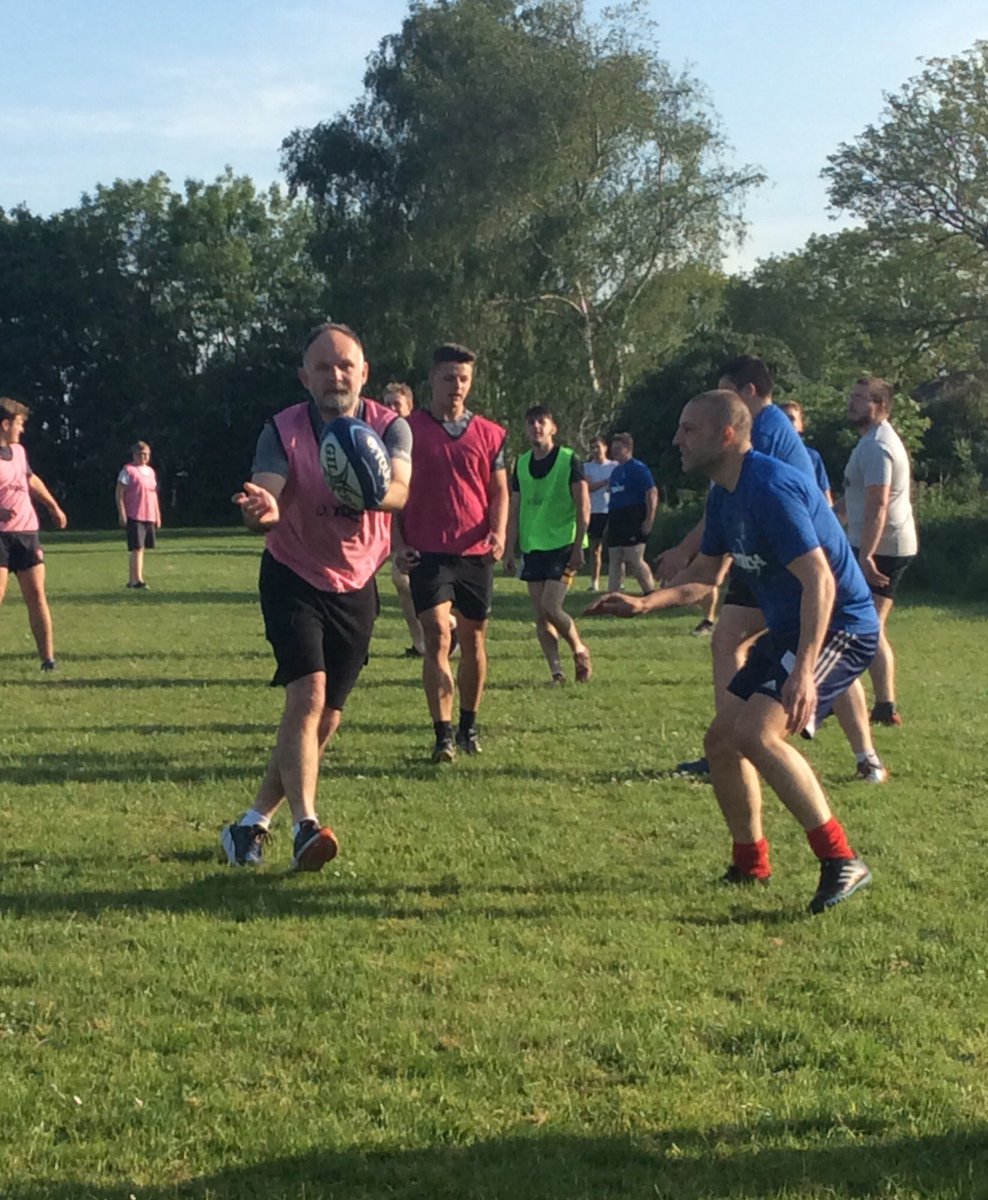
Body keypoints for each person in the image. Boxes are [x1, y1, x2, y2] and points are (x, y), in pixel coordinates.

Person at [589, 391, 877, 914]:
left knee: (757, 733)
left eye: (689, 429)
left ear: (726, 435)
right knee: (722, 742)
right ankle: (751, 863)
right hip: (789, 627)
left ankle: (842, 859)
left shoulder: (770, 488)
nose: (676, 439)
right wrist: (645, 603)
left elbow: (820, 580)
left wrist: (805, 672)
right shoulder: (725, 495)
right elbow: (705, 576)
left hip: (841, 626)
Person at [222, 322, 412, 871]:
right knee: (307, 695)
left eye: (345, 365)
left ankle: (251, 823)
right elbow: (267, 498)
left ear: (364, 372)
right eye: (323, 367)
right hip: (293, 573)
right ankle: (306, 827)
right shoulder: (282, 430)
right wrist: (263, 512)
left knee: (325, 719)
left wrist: (370, 488)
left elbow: (400, 489)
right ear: (305, 377)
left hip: (357, 580)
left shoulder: (391, 426)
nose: (336, 376)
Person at [655, 356, 886, 783]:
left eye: (725, 392)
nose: (680, 439)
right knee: (767, 646)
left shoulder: (763, 432)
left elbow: (761, 499)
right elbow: (721, 523)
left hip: (788, 558)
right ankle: (734, 743)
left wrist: (686, 550)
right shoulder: (756, 447)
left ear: (747, 394)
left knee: (817, 647)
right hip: (773, 554)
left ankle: (745, 742)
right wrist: (649, 599)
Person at [394, 343, 508, 762]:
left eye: (463, 379)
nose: (456, 386)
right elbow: (394, 493)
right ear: (432, 380)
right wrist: (398, 543)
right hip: (427, 550)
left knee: (474, 638)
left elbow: (499, 491)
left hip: (474, 552)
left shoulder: (491, 434)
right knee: (438, 634)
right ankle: (442, 734)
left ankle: (468, 726)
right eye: (448, 378)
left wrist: (498, 534)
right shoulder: (407, 430)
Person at [836, 376, 918, 727]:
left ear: (880, 406)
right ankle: (882, 705)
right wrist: (824, 520)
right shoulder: (868, 442)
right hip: (873, 543)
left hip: (883, 547)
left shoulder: (878, 446)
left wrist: (866, 555)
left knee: (864, 624)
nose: (852, 403)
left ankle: (870, 702)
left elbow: (878, 505)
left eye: (861, 398)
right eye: (852, 396)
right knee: (867, 624)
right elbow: (854, 499)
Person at [505, 405, 592, 684]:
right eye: (531, 422)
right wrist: (509, 549)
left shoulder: (568, 459)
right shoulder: (521, 464)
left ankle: (579, 649)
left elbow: (583, 505)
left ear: (553, 427)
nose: (536, 427)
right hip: (533, 546)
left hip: (564, 544)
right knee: (541, 615)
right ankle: (557, 672)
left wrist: (579, 545)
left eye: (541, 421)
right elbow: (514, 509)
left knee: (551, 606)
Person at [0, 397, 68, 672]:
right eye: (19, 423)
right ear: (5, 424)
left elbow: (30, 480)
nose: (22, 429)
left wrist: (53, 506)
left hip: (26, 532)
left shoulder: (19, 452)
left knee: (37, 595)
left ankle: (48, 660)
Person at [381, 383, 427, 657]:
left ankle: (449, 627)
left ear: (410, 406)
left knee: (412, 582)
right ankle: (420, 642)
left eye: (396, 404)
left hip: (424, 521)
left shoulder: (419, 438)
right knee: (401, 581)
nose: (390, 409)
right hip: (398, 520)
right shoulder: (382, 439)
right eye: (386, 403)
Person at [606, 432, 658, 595]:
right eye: (613, 449)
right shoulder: (615, 472)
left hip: (633, 515)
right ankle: (614, 595)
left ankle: (650, 592)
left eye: (618, 449)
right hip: (616, 516)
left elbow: (652, 492)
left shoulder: (638, 468)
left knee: (634, 557)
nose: (615, 452)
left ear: (628, 449)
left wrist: (649, 519)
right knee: (615, 557)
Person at [115, 441, 162, 589]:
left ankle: (133, 580)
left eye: (147, 454)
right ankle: (137, 580)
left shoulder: (151, 472)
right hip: (134, 514)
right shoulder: (128, 471)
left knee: (141, 548)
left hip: (149, 514)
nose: (144, 457)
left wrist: (157, 514)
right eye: (141, 454)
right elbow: (119, 493)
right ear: (134, 455)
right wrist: (122, 513)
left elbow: (153, 494)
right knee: (136, 547)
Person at [779, 400, 832, 504]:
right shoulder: (769, 456)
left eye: (791, 418)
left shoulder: (812, 457)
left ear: (801, 425)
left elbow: (825, 497)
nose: (787, 423)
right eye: (783, 419)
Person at [583, 435, 616, 592]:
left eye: (598, 447)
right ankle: (594, 582)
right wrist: (605, 482)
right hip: (595, 511)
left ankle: (617, 582)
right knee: (595, 549)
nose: (595, 450)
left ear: (605, 448)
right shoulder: (588, 467)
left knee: (617, 549)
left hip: (613, 510)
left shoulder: (614, 466)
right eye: (593, 448)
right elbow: (589, 486)